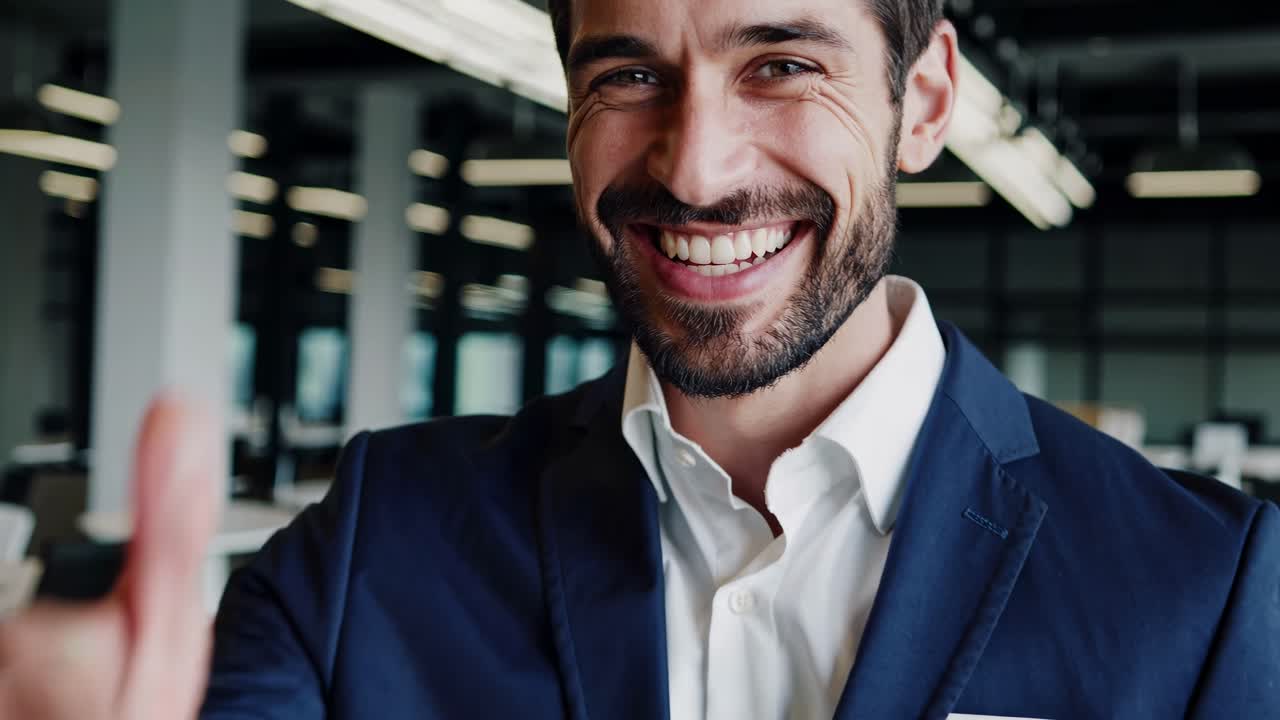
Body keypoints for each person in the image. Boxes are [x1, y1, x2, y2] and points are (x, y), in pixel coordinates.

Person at [2, 0, 1277, 717]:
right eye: (626, 74)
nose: (691, 167)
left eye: (779, 63)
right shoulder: (370, 551)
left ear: (926, 101)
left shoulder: (1204, 596)